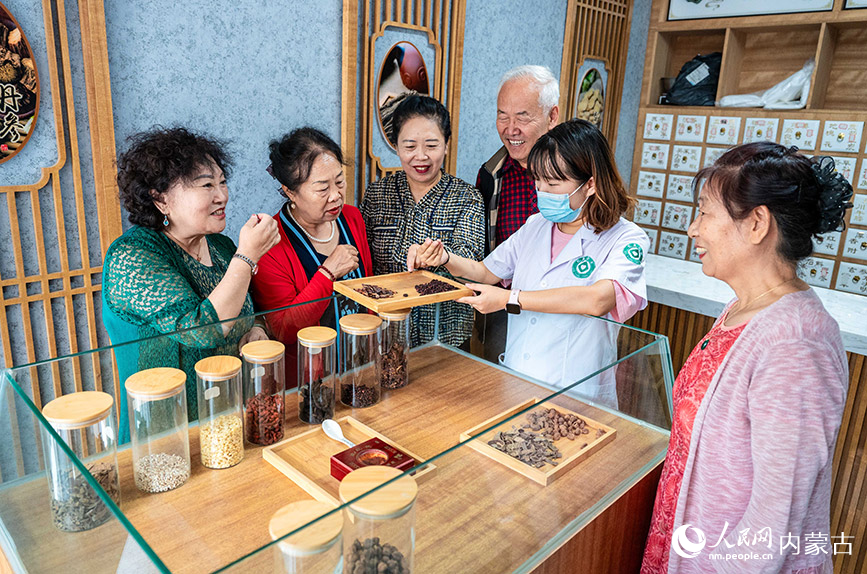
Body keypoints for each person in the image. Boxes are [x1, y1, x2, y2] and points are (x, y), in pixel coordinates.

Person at [641, 143, 852, 574]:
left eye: (704, 213)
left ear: (757, 224)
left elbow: (772, 527)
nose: (692, 230)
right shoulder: (743, 309)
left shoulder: (797, 344)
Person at [409, 119, 648, 406]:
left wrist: (511, 299)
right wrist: (446, 257)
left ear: (591, 184)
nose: (542, 191)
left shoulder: (625, 238)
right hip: (518, 379)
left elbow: (598, 299)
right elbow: (486, 271)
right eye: (538, 180)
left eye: (554, 183)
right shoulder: (536, 225)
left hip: (576, 391)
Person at [102, 127, 280, 444]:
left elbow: (252, 310)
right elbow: (201, 329)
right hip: (163, 433)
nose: (222, 195)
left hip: (226, 422)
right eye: (206, 185)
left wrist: (257, 329)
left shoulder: (223, 247)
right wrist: (249, 256)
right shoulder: (132, 255)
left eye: (223, 182)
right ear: (161, 199)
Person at [251, 128, 372, 385]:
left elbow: (367, 292)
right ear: (290, 191)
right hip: (309, 383)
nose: (336, 195)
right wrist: (327, 274)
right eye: (322, 188)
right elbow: (284, 329)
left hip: (361, 367)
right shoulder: (270, 244)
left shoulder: (352, 218)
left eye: (339, 181)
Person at [361, 95, 484, 347]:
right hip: (385, 336)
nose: (421, 156)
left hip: (446, 339)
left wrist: (440, 256)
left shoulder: (466, 198)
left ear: (446, 145)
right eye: (409, 146)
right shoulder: (377, 195)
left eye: (431, 145)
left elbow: (472, 261)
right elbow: (363, 260)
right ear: (396, 146)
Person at [474, 65, 560, 361]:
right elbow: (487, 258)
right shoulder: (490, 174)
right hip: (502, 310)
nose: (511, 129)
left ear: (552, 116)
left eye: (522, 116)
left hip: (561, 314)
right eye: (502, 116)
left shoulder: (581, 173)